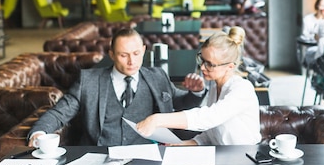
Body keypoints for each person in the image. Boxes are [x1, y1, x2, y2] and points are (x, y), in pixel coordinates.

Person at [27, 28, 206, 147]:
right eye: (123, 55)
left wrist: (196, 92)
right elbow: (59, 113)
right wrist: (38, 133)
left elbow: (181, 102)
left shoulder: (158, 77)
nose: (131, 61)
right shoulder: (88, 81)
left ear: (144, 50)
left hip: (147, 158)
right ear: (112, 54)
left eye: (136, 54)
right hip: (100, 157)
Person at [136, 26, 261, 145]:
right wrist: (187, 143)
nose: (202, 68)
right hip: (224, 155)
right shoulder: (214, 87)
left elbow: (209, 117)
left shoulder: (242, 89)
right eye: (202, 60)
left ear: (230, 67)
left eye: (210, 64)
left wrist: (157, 120)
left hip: (245, 156)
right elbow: (211, 133)